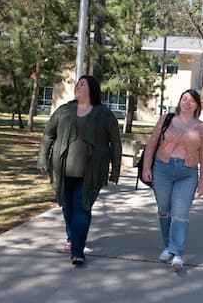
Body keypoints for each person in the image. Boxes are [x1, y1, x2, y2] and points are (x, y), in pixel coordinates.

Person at [37, 75, 122, 265]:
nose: (78, 87)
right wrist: (43, 159)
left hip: (91, 174)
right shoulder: (64, 111)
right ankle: (72, 238)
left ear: (92, 89)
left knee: (82, 208)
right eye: (77, 84)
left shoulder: (104, 114)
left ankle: (77, 251)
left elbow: (115, 143)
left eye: (82, 84)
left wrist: (115, 170)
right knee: (67, 207)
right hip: (63, 171)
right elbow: (48, 135)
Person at [141, 89, 203, 272]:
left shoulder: (202, 127)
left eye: (191, 101)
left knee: (180, 214)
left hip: (187, 174)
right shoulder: (166, 119)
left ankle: (177, 253)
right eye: (184, 99)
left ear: (197, 105)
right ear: (179, 101)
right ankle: (169, 247)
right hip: (162, 169)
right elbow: (152, 144)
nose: (187, 103)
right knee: (164, 211)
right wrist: (147, 167)